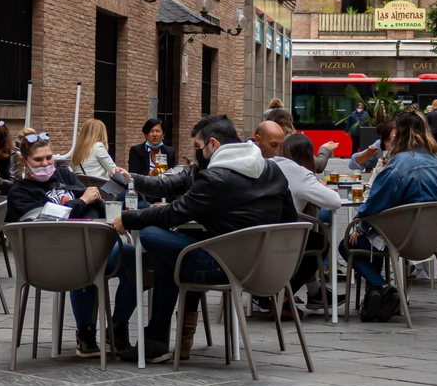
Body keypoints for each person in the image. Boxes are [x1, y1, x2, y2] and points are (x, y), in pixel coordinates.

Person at [111, 115, 297, 363]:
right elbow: (290, 220)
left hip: (225, 266)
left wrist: (131, 218)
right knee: (173, 253)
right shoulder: (273, 170)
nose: (197, 154)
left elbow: (174, 213)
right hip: (267, 269)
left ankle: (154, 339)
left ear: (213, 144)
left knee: (153, 237)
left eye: (198, 148)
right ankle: (158, 340)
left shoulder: (216, 178)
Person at [5, 131, 131, 356]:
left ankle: (117, 327)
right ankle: (86, 331)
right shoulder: (19, 193)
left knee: (134, 257)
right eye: (39, 160)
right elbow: (46, 221)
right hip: (47, 257)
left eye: (49, 158)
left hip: (86, 245)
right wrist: (81, 201)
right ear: (25, 162)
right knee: (86, 257)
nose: (45, 164)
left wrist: (114, 198)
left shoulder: (63, 175)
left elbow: (92, 206)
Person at [342, 110, 437, 322]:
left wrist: (359, 227)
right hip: (431, 238)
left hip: (402, 238)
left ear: (401, 135)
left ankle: (381, 286)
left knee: (349, 244)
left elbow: (376, 203)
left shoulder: (399, 164)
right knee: (372, 238)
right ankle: (378, 293)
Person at [279, 132, 343, 312]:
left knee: (310, 238)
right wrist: (318, 187)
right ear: (308, 155)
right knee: (319, 243)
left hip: (255, 233)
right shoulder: (300, 174)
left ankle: (314, 293)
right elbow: (334, 201)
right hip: (282, 238)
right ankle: (281, 296)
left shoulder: (269, 164)